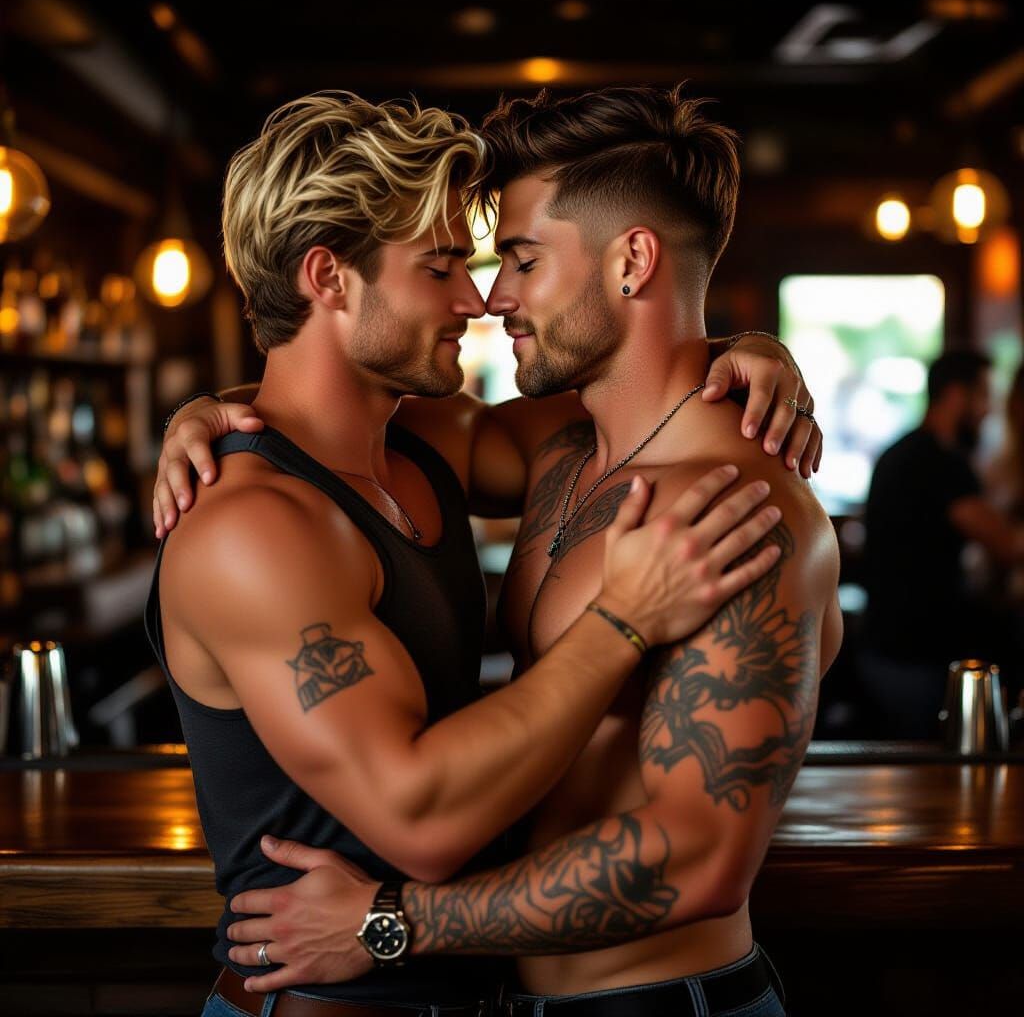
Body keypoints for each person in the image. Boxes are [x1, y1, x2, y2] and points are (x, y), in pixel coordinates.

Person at [161, 87, 841, 1016]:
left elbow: (703, 858)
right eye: (449, 265)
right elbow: (315, 417)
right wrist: (204, 414)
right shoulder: (535, 456)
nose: (486, 296)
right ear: (330, 278)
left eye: (518, 260)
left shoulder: (730, 508)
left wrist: (394, 921)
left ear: (633, 261)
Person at [861, 348, 1024, 738]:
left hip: (886, 645)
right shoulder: (937, 461)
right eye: (984, 396)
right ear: (955, 395)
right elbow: (1007, 545)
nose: (989, 410)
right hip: (912, 657)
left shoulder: (902, 451)